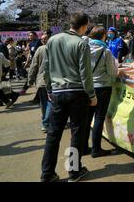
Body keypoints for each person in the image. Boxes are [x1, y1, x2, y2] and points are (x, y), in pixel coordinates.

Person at [41, 12, 97, 182]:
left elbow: (46, 67)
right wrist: (92, 95)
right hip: (77, 94)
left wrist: (49, 89)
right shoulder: (81, 43)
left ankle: (47, 173)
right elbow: (85, 73)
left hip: (57, 93)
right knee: (77, 133)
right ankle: (73, 171)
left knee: (53, 134)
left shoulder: (52, 40)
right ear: (84, 26)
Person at [83, 26, 119, 158]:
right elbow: (112, 72)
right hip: (103, 87)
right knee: (99, 117)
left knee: (87, 118)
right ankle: (96, 149)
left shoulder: (84, 48)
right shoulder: (106, 51)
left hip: (87, 87)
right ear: (103, 35)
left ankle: (83, 147)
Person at [28, 33, 51, 132]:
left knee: (44, 102)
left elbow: (34, 65)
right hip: (54, 81)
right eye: (42, 39)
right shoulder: (56, 49)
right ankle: (46, 122)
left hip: (42, 81)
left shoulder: (40, 49)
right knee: (50, 102)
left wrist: (30, 79)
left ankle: (45, 122)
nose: (43, 41)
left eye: (44, 39)